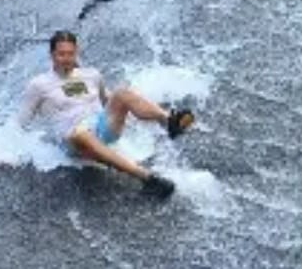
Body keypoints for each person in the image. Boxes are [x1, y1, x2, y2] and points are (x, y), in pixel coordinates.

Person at [17, 31, 195, 198]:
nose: (66, 59)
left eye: (70, 54)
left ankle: (169, 121)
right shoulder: (39, 85)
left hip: (100, 127)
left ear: (76, 53)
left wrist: (131, 112)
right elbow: (23, 121)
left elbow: (107, 100)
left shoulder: (91, 75)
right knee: (80, 133)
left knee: (122, 93)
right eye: (61, 54)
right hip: (72, 139)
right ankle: (147, 178)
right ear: (52, 55)